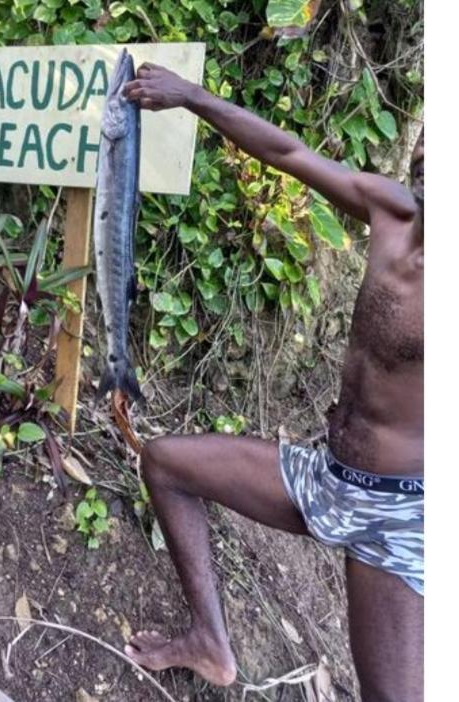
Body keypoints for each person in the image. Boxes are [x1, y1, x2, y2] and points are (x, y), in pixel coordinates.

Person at [122, 64, 424, 702]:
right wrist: (193, 97)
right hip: (327, 476)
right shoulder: (395, 212)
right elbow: (288, 153)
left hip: (399, 518)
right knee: (167, 464)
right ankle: (211, 642)